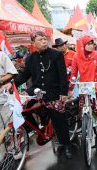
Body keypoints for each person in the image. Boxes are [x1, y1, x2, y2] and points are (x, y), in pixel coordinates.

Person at [14, 31, 72, 159]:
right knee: (19, 106)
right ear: (33, 43)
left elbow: (63, 75)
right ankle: (33, 129)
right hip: (36, 90)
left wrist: (63, 92)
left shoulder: (56, 55)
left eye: (45, 39)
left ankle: (66, 145)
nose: (44, 41)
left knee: (59, 119)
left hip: (54, 91)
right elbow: (25, 75)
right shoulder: (30, 58)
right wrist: (12, 84)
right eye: (40, 40)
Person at [71, 36, 97, 143]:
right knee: (82, 109)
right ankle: (85, 127)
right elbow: (74, 72)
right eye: (88, 44)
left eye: (92, 43)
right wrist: (72, 82)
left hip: (96, 84)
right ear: (83, 45)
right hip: (84, 86)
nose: (91, 46)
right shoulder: (76, 56)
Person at [0, 41, 18, 166]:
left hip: (4, 98)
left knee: (11, 125)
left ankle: (16, 147)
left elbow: (12, 72)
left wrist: (0, 81)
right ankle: (1, 152)